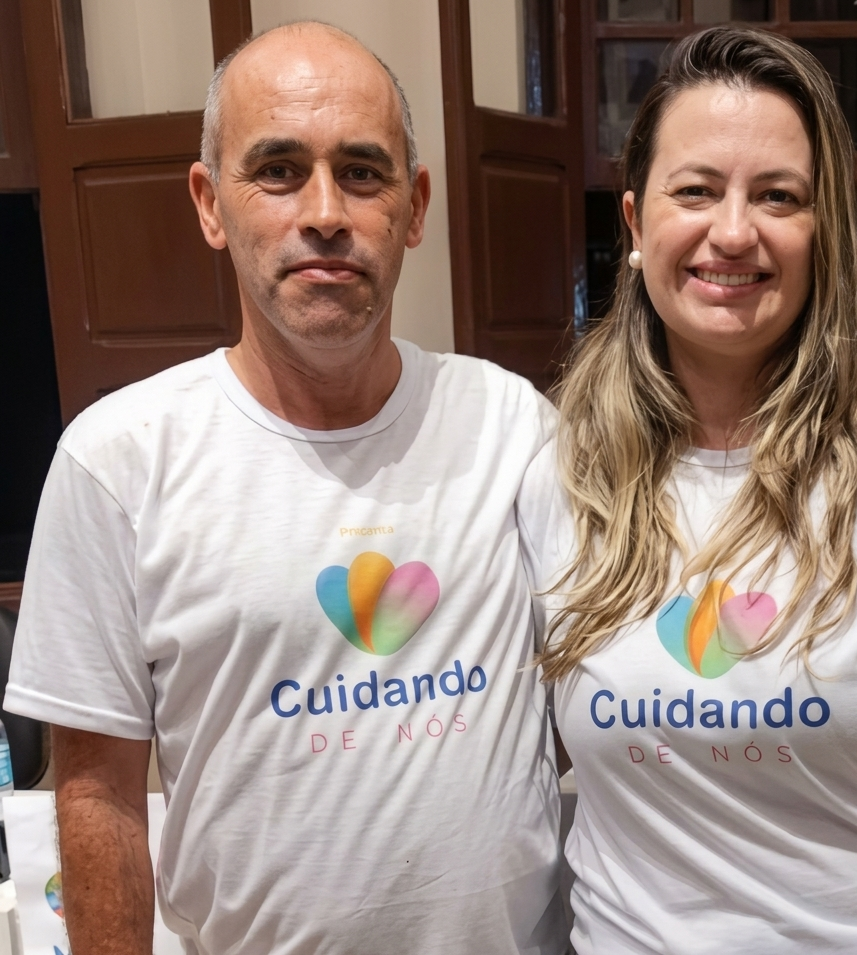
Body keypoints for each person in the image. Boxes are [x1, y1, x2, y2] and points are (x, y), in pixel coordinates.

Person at [5, 21, 566, 955]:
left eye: (363, 171)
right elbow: (98, 793)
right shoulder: (118, 461)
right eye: (278, 170)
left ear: (415, 206)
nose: (326, 212)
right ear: (209, 203)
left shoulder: (513, 428)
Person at [518, 27, 857, 955]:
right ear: (635, 224)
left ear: (825, 231)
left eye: (778, 195)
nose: (734, 231)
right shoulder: (557, 472)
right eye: (696, 190)